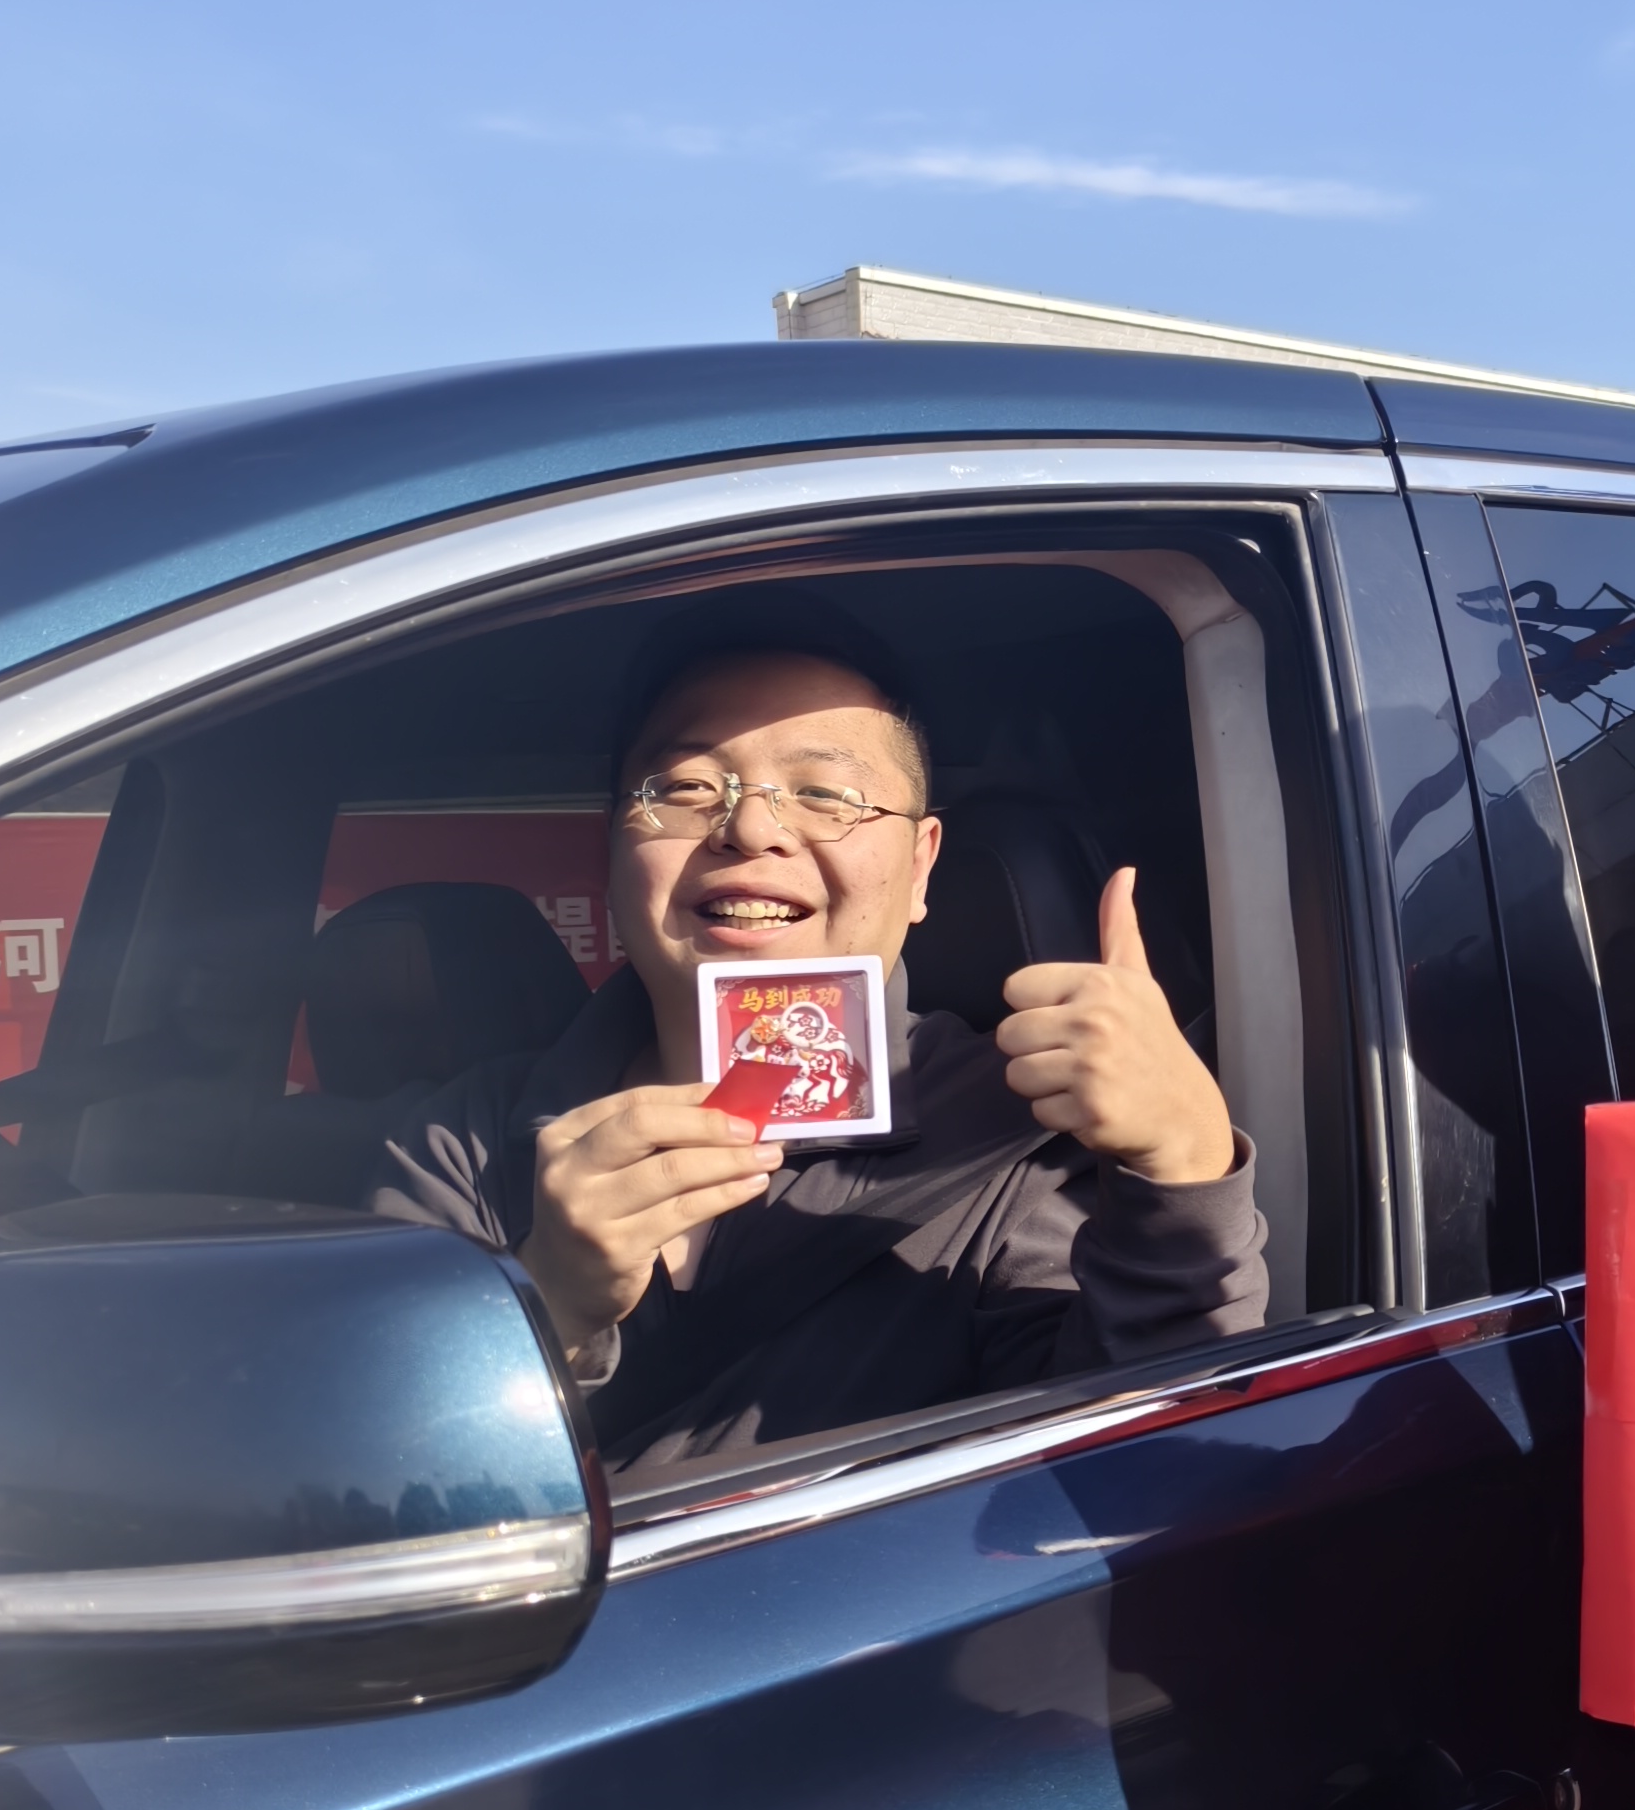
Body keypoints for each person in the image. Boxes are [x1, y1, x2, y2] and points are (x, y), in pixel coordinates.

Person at [374, 627, 1266, 1473]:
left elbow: (1147, 1476)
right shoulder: (463, 1143)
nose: (750, 829)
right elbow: (382, 1479)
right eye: (686, 788)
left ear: (919, 868)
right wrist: (548, 1305)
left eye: (825, 795)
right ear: (611, 849)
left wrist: (1184, 1166)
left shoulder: (1021, 1135)